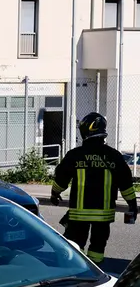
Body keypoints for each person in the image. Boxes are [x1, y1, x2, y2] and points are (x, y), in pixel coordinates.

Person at [51, 112, 137, 264]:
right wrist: (132, 204)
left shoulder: (75, 155)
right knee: (97, 247)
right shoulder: (114, 156)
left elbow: (61, 178)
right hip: (104, 216)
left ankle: (77, 270)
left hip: (79, 214)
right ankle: (95, 270)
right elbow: (126, 183)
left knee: (75, 246)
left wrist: (55, 193)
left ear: (84, 131)